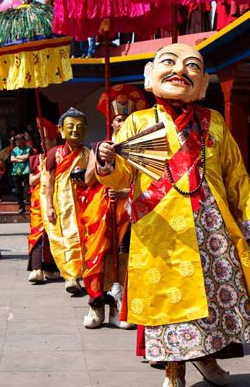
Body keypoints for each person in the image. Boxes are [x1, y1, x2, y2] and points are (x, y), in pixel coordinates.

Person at [96, 43, 250, 387]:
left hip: (212, 227)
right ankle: (173, 371)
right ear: (150, 76)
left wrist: (247, 220)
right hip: (162, 229)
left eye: (192, 66)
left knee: (212, 301)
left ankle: (207, 358)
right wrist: (105, 160)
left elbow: (236, 175)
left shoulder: (214, 122)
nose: (181, 70)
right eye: (169, 62)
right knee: (171, 304)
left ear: (203, 84)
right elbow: (121, 176)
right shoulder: (138, 121)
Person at [82, 84, 149, 329]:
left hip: (129, 208)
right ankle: (97, 305)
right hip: (102, 211)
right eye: (119, 119)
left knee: (124, 256)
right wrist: (102, 159)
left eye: (127, 119)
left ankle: (123, 305)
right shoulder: (100, 146)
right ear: (111, 122)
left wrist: (123, 191)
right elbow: (89, 179)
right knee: (99, 257)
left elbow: (145, 180)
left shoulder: (140, 148)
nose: (122, 123)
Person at [46, 107, 89, 294]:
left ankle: (83, 273)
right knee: (65, 238)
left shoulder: (89, 153)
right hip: (61, 203)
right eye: (70, 126)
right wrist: (48, 205)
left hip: (84, 201)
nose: (74, 130)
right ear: (61, 130)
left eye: (79, 127)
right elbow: (47, 182)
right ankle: (70, 276)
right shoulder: (54, 153)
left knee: (84, 237)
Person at [27, 118, 60, 283]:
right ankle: (36, 268)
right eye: (40, 139)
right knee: (38, 235)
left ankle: (51, 268)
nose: (42, 142)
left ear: (54, 140)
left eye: (45, 139)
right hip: (38, 203)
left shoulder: (60, 156)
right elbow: (31, 181)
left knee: (53, 234)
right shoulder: (36, 158)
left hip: (55, 199)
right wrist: (45, 172)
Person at [10, 133, 32, 213]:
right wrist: (21, 159)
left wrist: (17, 158)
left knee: (27, 189)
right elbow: (12, 159)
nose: (17, 142)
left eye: (19, 140)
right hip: (16, 171)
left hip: (26, 170)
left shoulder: (28, 149)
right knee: (18, 190)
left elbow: (26, 157)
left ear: (23, 141)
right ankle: (21, 206)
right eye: (16, 140)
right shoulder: (14, 150)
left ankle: (28, 204)